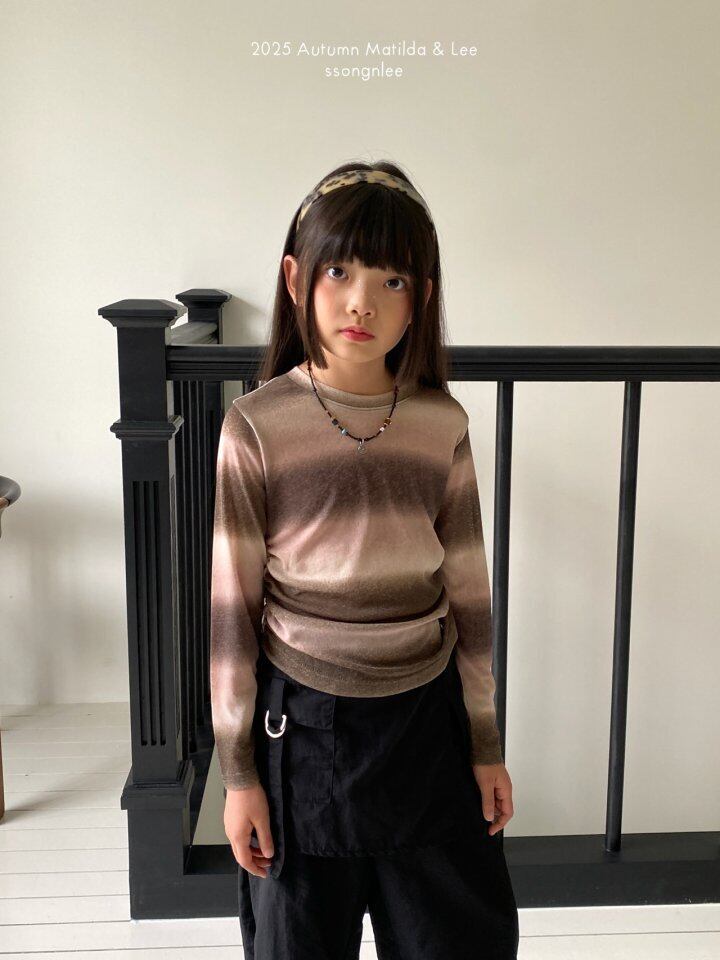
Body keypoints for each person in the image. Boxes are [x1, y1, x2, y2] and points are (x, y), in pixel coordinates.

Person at [210, 160, 520, 959]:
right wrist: (239, 777)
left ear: (421, 297)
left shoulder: (441, 424)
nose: (361, 302)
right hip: (301, 735)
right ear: (296, 277)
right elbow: (233, 616)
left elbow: (471, 598)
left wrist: (486, 746)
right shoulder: (256, 427)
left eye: (393, 281)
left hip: (428, 731)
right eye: (339, 272)